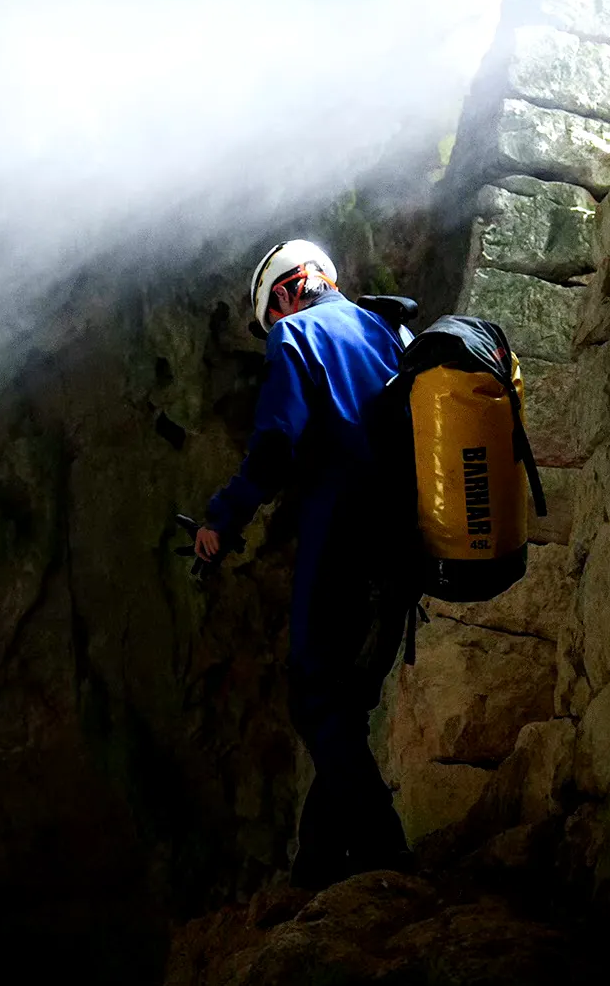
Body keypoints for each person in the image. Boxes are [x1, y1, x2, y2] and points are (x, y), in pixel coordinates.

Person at [194, 239, 412, 888]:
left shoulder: (296, 336)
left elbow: (275, 443)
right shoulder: (387, 328)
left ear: (285, 294)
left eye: (271, 315)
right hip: (404, 537)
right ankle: (317, 865)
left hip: (341, 528)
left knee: (317, 695)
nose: (275, 326)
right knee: (343, 704)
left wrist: (222, 518)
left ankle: (386, 857)